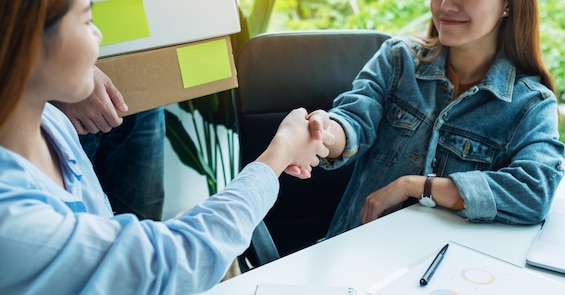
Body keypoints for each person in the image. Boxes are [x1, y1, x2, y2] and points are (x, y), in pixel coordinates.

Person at [0, 0, 331, 293]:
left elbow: (120, 246)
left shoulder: (50, 124)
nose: (100, 36)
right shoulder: (12, 219)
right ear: (27, 41)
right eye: (87, 20)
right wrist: (280, 152)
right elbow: (169, 261)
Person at [299, 0, 565, 238]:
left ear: (509, 5)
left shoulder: (531, 104)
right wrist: (323, 132)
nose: (446, 5)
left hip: (443, 266)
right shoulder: (398, 58)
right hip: (355, 246)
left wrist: (416, 186)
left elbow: (535, 191)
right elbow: (354, 120)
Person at [54, 69, 166, 221]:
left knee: (143, 221)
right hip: (67, 100)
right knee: (81, 223)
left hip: (142, 90)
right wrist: (72, 73)